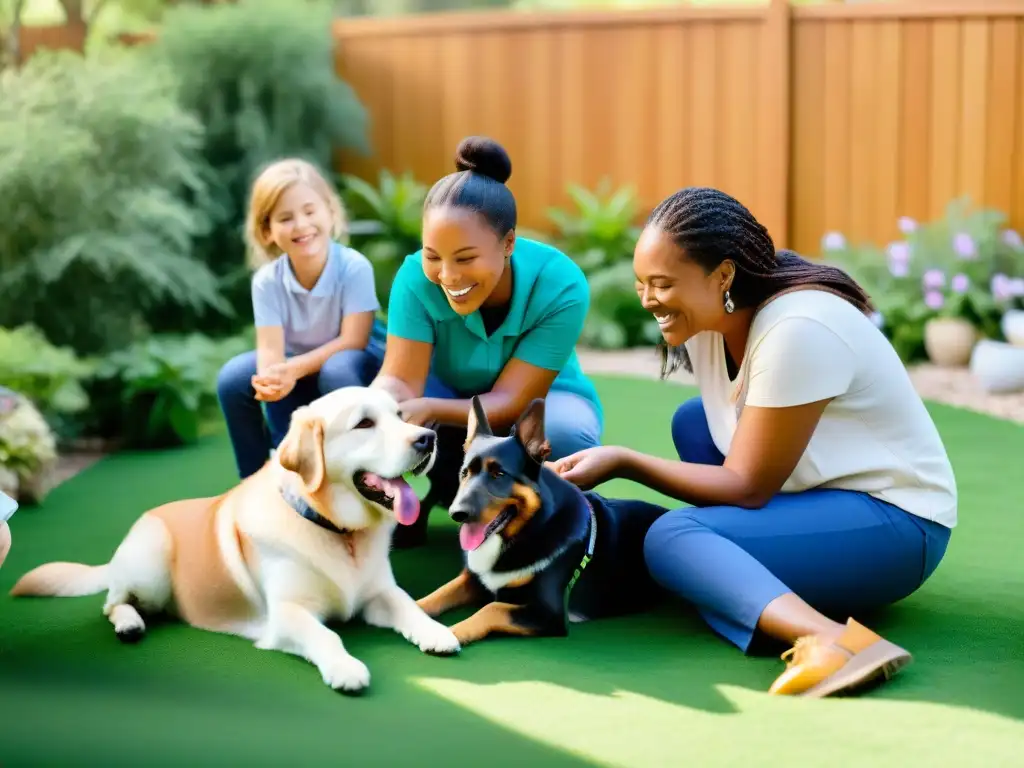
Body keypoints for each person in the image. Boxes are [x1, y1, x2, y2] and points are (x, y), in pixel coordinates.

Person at [551, 187, 957, 699]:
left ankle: (834, 640)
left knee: (671, 539)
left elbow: (746, 486)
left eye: (662, 284)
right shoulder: (707, 324)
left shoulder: (798, 330)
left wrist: (624, 461)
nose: (649, 300)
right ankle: (728, 576)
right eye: (641, 285)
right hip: (823, 498)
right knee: (693, 423)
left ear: (722, 276)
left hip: (898, 527)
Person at [369, 136, 603, 548]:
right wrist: (376, 407)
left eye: (465, 258)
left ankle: (557, 526)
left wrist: (427, 408)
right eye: (433, 256)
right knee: (372, 395)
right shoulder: (412, 278)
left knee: (564, 434)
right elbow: (400, 380)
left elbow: (512, 402)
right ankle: (423, 499)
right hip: (447, 392)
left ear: (508, 243)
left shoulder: (560, 283)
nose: (447, 276)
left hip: (539, 401)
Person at [217, 158, 385, 479]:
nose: (301, 225)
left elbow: (354, 340)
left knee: (336, 371)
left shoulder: (354, 267)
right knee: (234, 378)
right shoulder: (267, 281)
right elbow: (270, 350)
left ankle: (361, 471)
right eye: (286, 218)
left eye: (310, 211)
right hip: (299, 360)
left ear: (330, 212)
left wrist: (292, 369)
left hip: (356, 359)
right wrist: (273, 380)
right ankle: (259, 480)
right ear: (267, 231)